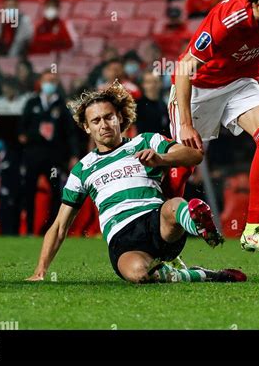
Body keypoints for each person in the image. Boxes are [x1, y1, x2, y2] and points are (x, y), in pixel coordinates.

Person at [26, 82, 246, 284]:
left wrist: (161, 159)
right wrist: (40, 270)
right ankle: (202, 274)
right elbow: (59, 226)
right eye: (96, 120)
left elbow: (194, 155)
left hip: (157, 221)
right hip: (122, 238)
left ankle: (198, 224)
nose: (104, 124)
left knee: (174, 205)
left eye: (109, 117)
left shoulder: (146, 141)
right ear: (86, 127)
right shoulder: (82, 170)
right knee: (139, 275)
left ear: (120, 118)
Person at [168, 0, 259, 257]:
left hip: (240, 82)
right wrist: (187, 125)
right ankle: (162, 243)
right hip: (199, 88)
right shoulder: (229, 18)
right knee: (184, 165)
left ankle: (253, 229)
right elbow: (183, 67)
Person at [19, 70, 80, 235]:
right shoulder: (31, 103)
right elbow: (21, 131)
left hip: (54, 158)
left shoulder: (62, 106)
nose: (50, 84)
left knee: (56, 194)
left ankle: (52, 229)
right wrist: (34, 135)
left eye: (53, 81)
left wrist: (74, 155)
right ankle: (30, 230)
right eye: (47, 81)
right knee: (29, 192)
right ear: (40, 82)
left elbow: (70, 134)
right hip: (33, 156)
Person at [136, 71, 170, 136]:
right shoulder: (136, 106)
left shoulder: (164, 105)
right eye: (149, 82)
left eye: (155, 81)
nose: (153, 85)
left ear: (161, 83)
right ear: (143, 84)